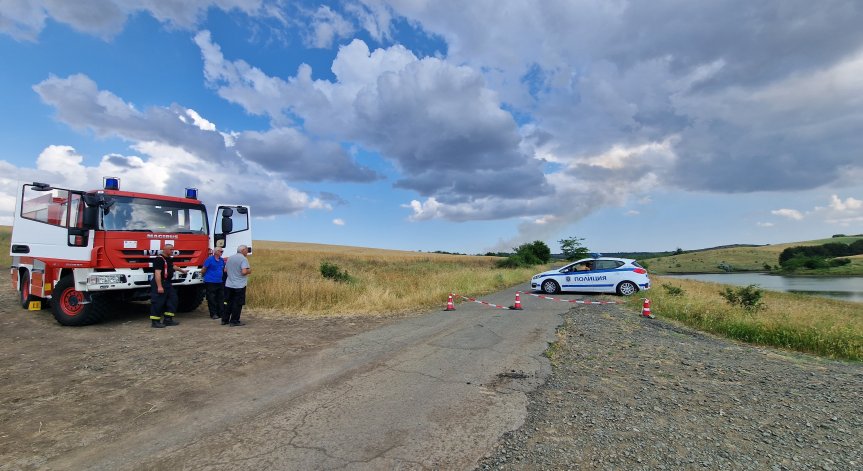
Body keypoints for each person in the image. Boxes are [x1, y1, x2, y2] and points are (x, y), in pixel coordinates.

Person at [150, 243, 188, 328]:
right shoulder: (159, 259)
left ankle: (168, 319)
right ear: (165, 250)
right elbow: (157, 273)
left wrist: (183, 271)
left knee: (173, 299)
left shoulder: (168, 259)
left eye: (173, 249)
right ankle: (155, 321)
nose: (172, 251)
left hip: (167, 283)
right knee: (158, 302)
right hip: (160, 282)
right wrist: (159, 286)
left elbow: (173, 267)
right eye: (171, 249)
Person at [222, 245, 251, 327]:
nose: (247, 252)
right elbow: (244, 272)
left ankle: (224, 320)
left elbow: (225, 270)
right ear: (243, 250)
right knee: (237, 303)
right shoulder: (243, 259)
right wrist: (249, 271)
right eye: (246, 250)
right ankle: (234, 321)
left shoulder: (230, 258)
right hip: (239, 285)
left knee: (228, 302)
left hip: (229, 284)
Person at [201, 247, 226, 319]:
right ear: (216, 252)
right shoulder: (209, 259)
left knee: (220, 298)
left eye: (222, 251)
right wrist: (204, 276)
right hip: (210, 282)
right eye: (221, 251)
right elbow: (204, 269)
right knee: (211, 298)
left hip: (220, 281)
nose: (222, 253)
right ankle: (213, 313)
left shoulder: (221, 260)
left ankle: (220, 313)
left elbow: (223, 269)